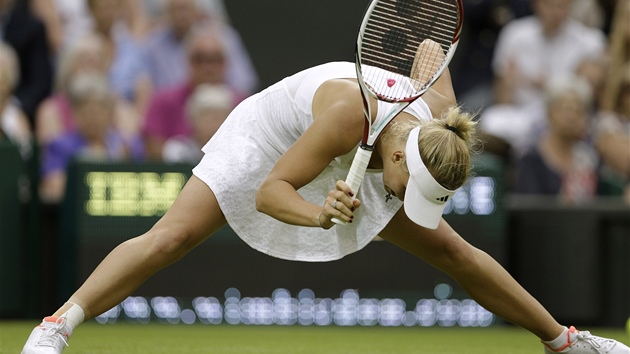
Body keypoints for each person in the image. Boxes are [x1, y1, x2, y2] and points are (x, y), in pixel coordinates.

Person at [20, 60, 629, 354]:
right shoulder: (345, 115)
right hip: (271, 139)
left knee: (456, 253)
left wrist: (425, 58)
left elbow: (424, 40)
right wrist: (319, 214)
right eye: (406, 188)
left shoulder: (436, 117)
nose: (404, 200)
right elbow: (268, 193)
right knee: (170, 239)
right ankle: (56, 327)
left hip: (357, 146)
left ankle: (566, 342)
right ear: (400, 162)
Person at [142, 23, 246, 160]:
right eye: (200, 59)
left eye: (215, 59)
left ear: (226, 63)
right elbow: (152, 147)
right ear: (188, 61)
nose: (208, 68)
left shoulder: (243, 105)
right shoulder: (164, 101)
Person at [38, 72, 144, 204]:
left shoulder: (127, 146)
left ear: (109, 112)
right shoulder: (59, 146)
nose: (93, 118)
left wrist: (124, 164)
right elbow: (54, 188)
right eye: (86, 111)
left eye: (98, 110)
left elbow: (142, 190)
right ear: (75, 113)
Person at [512, 74, 600, 202]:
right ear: (549, 113)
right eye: (565, 109)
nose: (571, 117)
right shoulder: (531, 160)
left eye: (578, 110)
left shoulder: (591, 160)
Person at [142, 0, 259, 95]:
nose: (181, 15)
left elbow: (244, 84)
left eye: (185, 8)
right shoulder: (152, 43)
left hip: (222, 106)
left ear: (197, 10)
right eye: (176, 9)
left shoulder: (223, 36)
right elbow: (146, 88)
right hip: (174, 112)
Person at [162, 83, 233, 164]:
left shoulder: (234, 152)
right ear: (193, 120)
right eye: (208, 118)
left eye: (219, 118)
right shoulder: (177, 150)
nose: (214, 125)